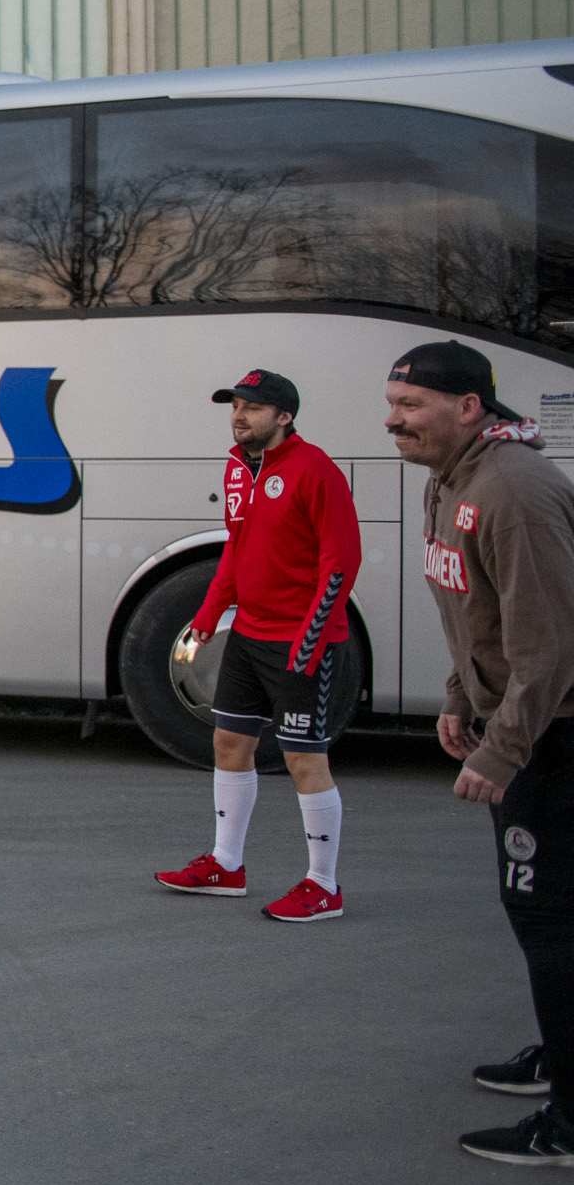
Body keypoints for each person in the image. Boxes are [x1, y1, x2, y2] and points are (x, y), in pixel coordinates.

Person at [385, 340, 574, 1167]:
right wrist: (461, 697)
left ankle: (569, 1123)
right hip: (524, 722)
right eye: (391, 404)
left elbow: (551, 647)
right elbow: (474, 610)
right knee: (546, 915)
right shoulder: (450, 481)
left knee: (547, 915)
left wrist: (501, 752)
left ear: (468, 408)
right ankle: (560, 1050)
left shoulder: (513, 493)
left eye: (411, 406)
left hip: (556, 736)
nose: (393, 420)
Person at [154, 370, 363, 920]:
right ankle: (227, 864)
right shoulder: (240, 469)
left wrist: (310, 643)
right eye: (235, 407)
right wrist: (207, 612)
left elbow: (341, 565)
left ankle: (324, 885)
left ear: (284, 415)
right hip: (248, 633)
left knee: (301, 758)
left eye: (252, 407)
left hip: (301, 641)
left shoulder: (316, 470)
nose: (239, 416)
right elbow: (238, 547)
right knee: (228, 744)